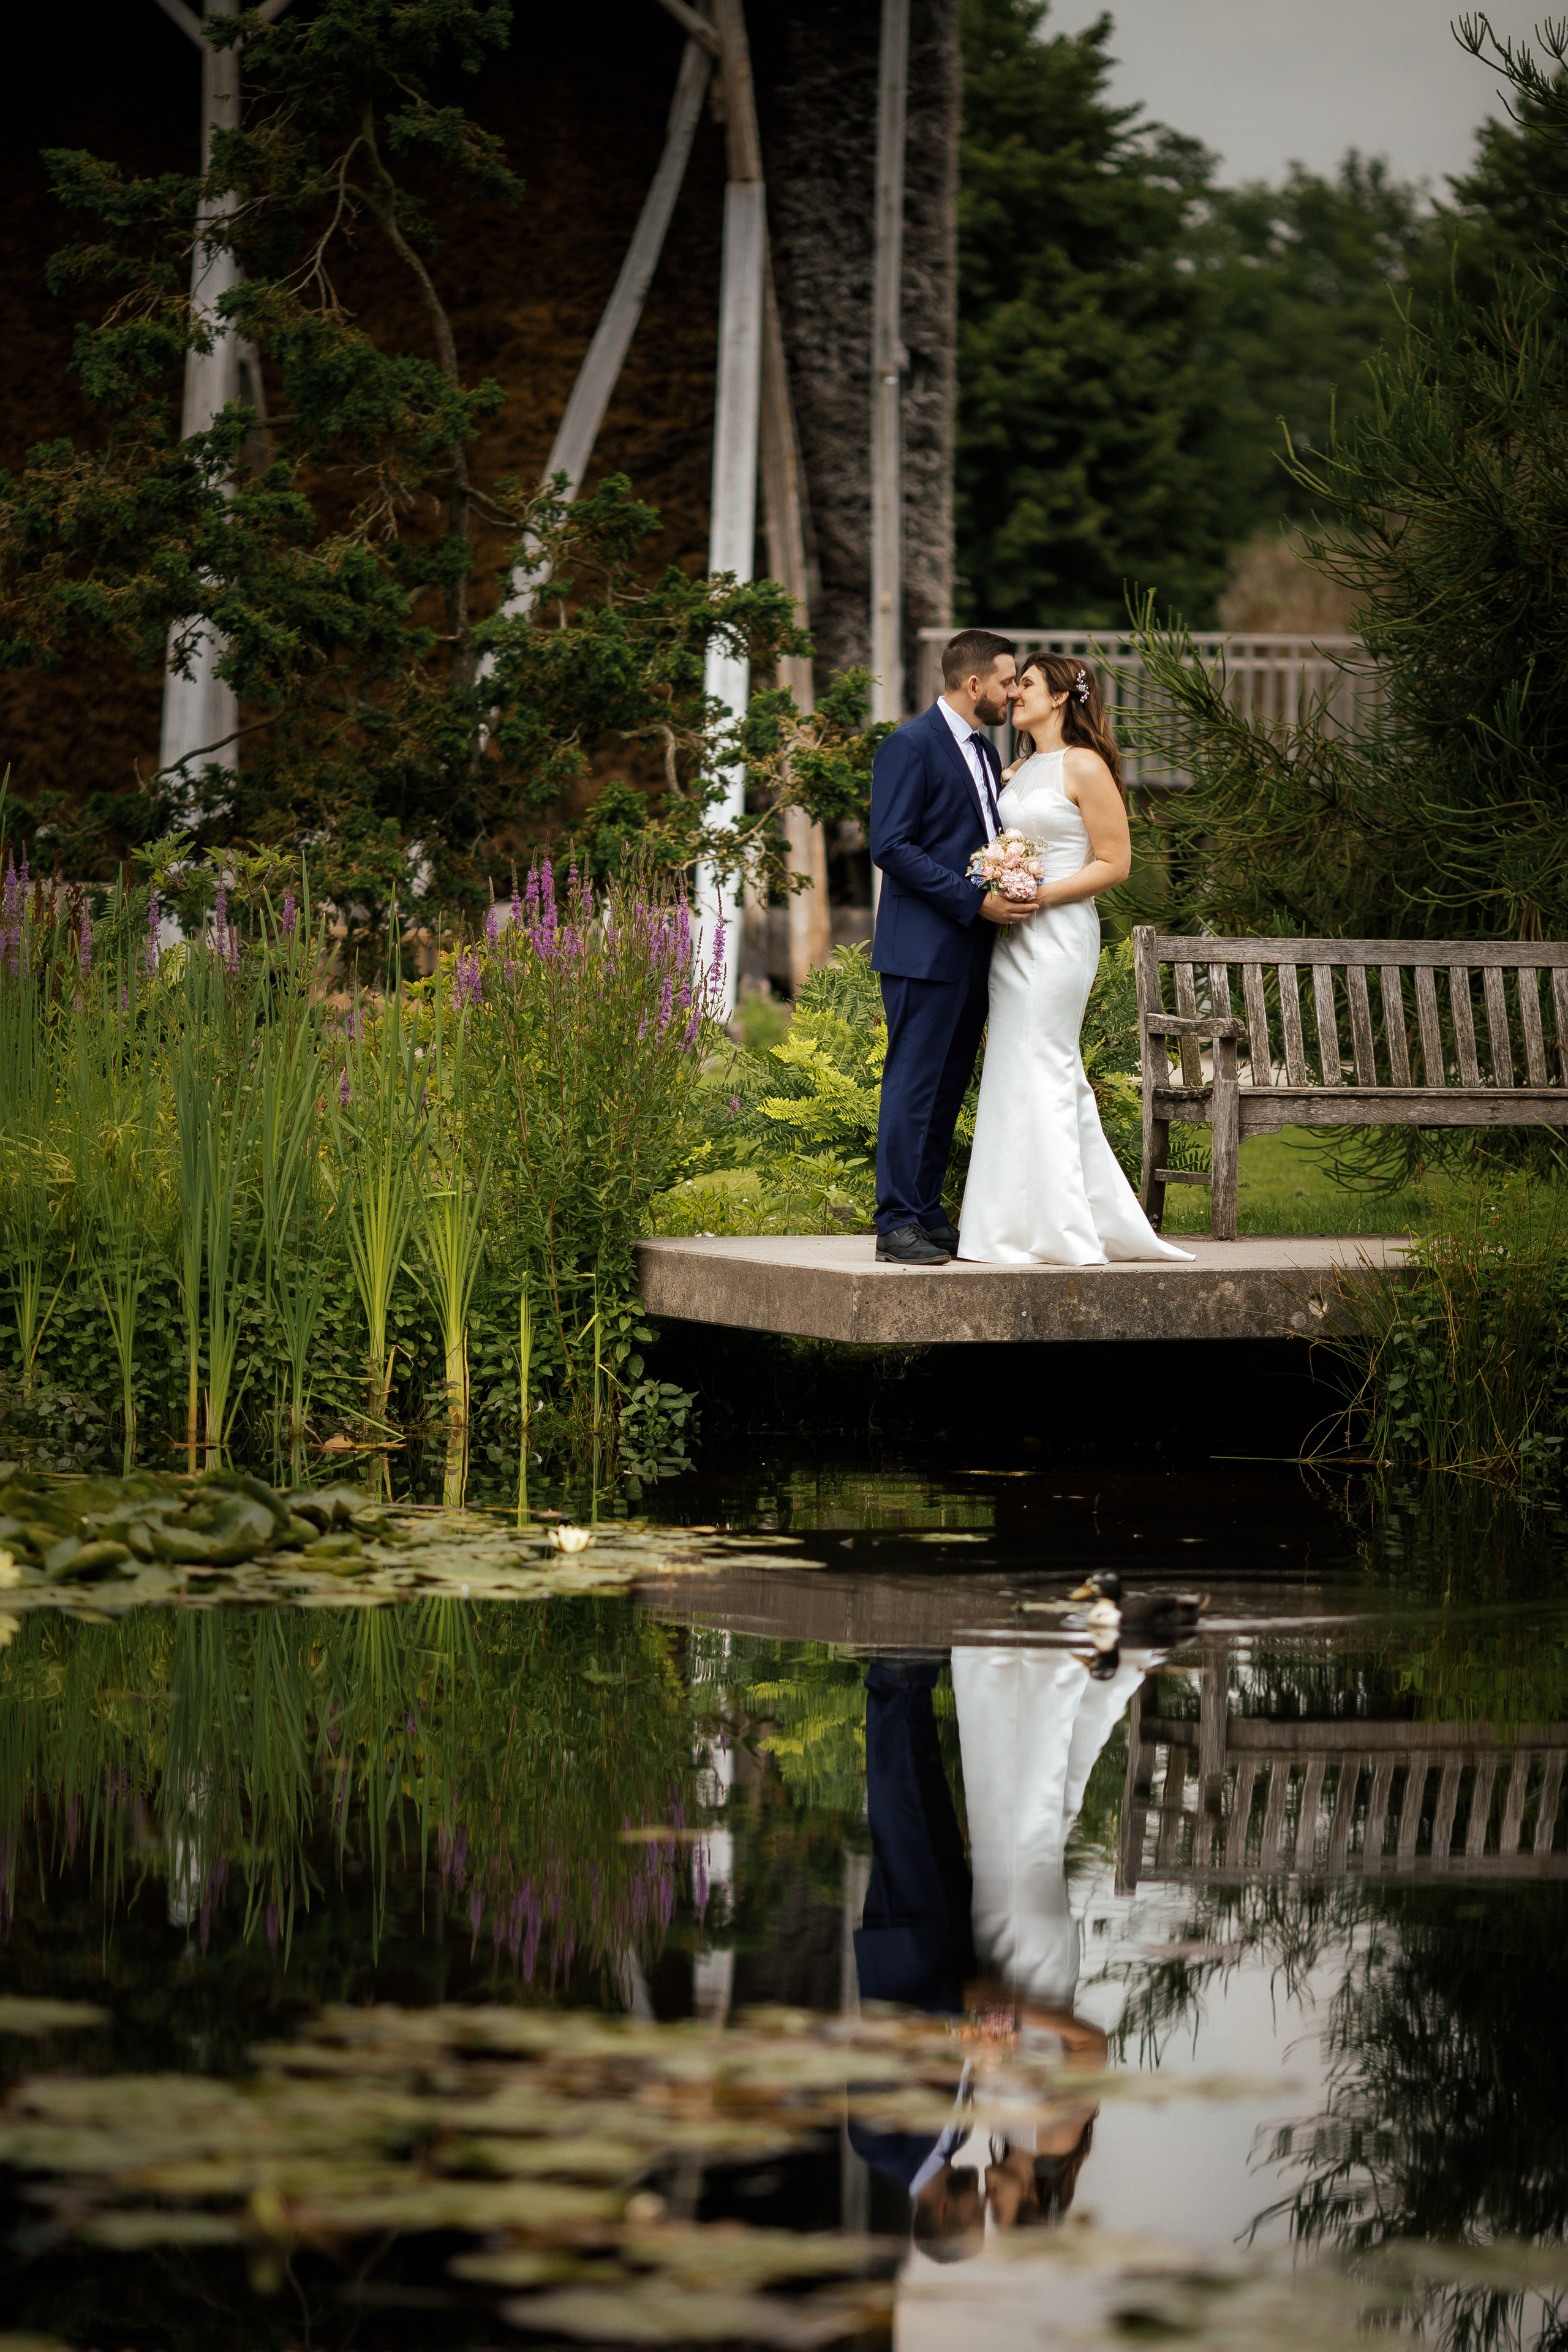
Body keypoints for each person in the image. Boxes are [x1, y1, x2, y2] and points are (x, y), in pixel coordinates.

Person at [956, 653, 1194, 1267]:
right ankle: (1015, 1225)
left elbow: (1114, 863)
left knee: (1047, 1060)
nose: (1015, 696)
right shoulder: (1023, 767)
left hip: (1057, 932)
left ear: (1062, 697)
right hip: (1012, 938)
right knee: (1020, 1067)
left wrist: (1035, 893)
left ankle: (1060, 1229)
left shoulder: (1084, 766)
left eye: (1027, 685)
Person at [868, 630, 1039, 1267]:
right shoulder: (909, 745)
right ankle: (894, 1223)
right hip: (921, 947)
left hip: (971, 950)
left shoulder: (988, 754)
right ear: (974, 685)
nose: (1013, 692)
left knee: (945, 1087)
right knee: (913, 1084)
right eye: (1006, 682)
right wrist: (975, 901)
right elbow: (891, 845)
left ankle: (927, 1211)